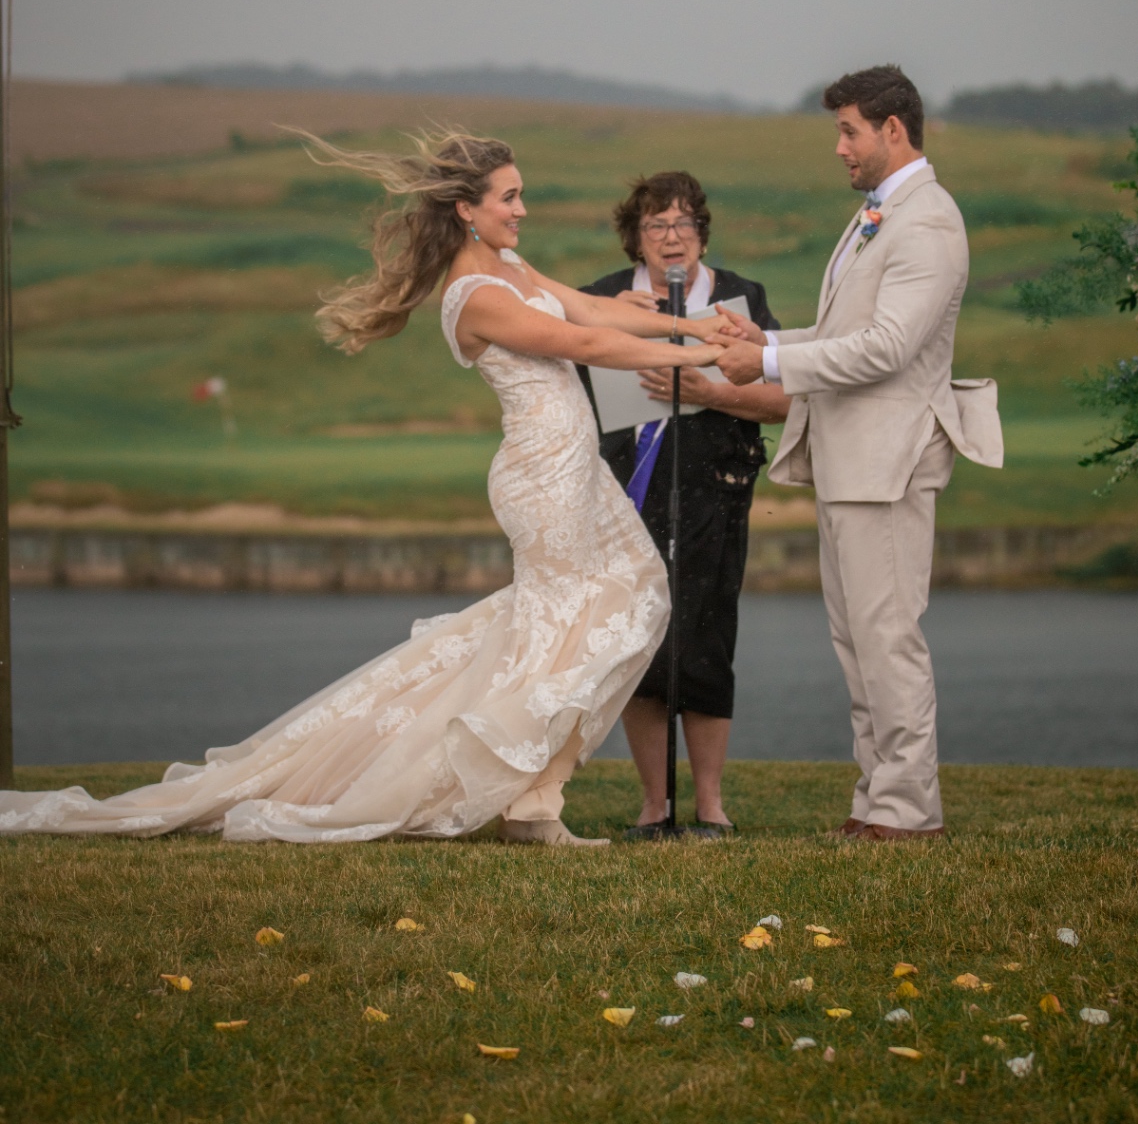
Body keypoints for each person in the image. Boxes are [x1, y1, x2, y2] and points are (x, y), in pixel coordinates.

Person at [0, 132, 728, 846]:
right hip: (541, 474)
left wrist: (698, 326)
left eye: (523, 194)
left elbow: (598, 311)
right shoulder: (473, 295)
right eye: (511, 197)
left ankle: (531, 797)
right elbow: (587, 345)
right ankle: (529, 804)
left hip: (578, 468)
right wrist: (701, 349)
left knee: (627, 595)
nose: (523, 209)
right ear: (467, 210)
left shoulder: (510, 264)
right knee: (570, 621)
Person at [715, 68, 1003, 840]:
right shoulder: (878, 215)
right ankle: (876, 798)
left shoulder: (930, 222)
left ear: (894, 130)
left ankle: (909, 811)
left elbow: (885, 350)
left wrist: (768, 369)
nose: (839, 147)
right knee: (855, 644)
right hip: (849, 460)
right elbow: (844, 331)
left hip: (890, 459)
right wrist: (764, 339)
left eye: (849, 131)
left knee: (887, 640)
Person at [580, 171, 789, 840]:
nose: (672, 239)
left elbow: (786, 398)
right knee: (640, 640)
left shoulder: (740, 299)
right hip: (625, 493)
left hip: (716, 489)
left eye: (683, 225)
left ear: (701, 231)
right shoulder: (602, 300)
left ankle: (709, 804)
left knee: (706, 635)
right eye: (655, 226)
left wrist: (708, 392)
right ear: (633, 238)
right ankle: (653, 803)